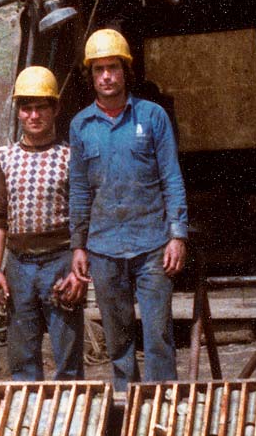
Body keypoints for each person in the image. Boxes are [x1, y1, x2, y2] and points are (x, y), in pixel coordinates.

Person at [68, 28, 189, 392]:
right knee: (117, 340)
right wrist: (79, 244)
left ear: (126, 71)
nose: (106, 76)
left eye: (113, 68)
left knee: (158, 336)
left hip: (152, 246)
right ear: (91, 76)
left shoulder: (152, 117)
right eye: (99, 69)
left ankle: (163, 407)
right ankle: (125, 406)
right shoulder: (81, 126)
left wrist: (177, 235)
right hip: (104, 248)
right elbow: (78, 189)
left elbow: (172, 177)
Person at [0, 66, 86, 381]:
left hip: (60, 262)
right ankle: (29, 425)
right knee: (23, 360)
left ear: (55, 109)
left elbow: (84, 217)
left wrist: (78, 274)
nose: (33, 115)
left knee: (68, 358)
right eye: (26, 108)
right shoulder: (5, 159)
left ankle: (72, 425)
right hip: (19, 267)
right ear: (18, 113)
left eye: (41, 107)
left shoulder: (71, 157)